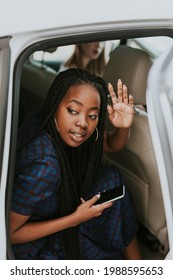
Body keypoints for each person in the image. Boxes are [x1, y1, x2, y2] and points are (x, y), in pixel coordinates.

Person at [10, 68, 141, 260]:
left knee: (112, 178)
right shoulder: (45, 167)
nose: (83, 123)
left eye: (92, 116)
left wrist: (123, 128)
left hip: (58, 203)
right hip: (33, 248)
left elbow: (111, 145)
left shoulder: (46, 119)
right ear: (56, 104)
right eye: (73, 111)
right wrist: (75, 219)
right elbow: (8, 234)